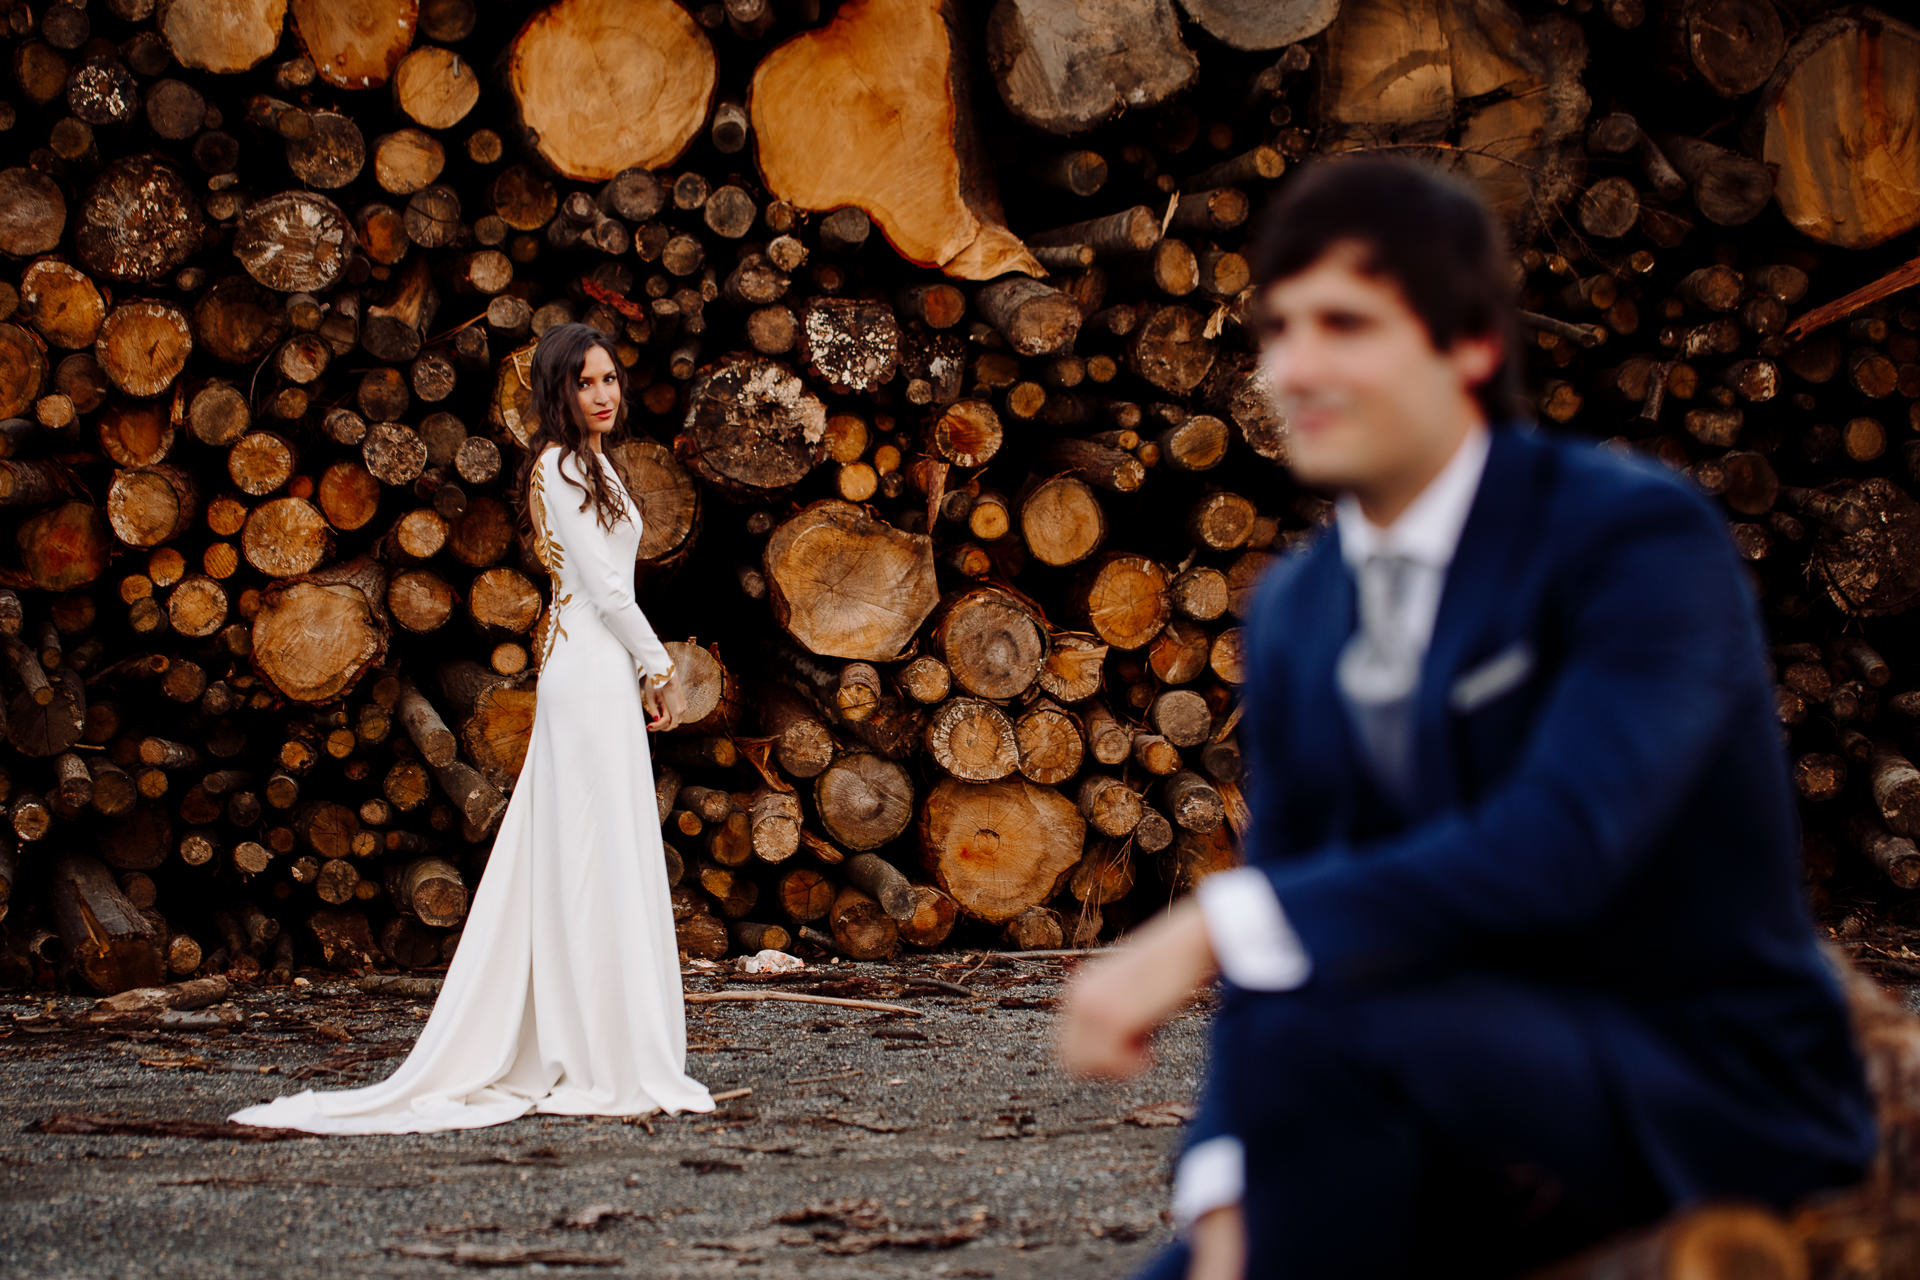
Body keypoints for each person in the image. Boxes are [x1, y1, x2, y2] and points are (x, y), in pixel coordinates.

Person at [1055, 157, 1876, 1279]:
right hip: (1438, 1075)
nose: (1295, 367)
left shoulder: (1633, 541)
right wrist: (1221, 1196)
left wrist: (1207, 924)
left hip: (1692, 1085)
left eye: (1345, 323)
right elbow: (1289, 939)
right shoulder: (1301, 604)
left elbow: (1563, 845)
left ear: (1471, 344)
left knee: (1328, 1032)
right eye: (1279, 328)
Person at [231, 323, 715, 1133]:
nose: (603, 394)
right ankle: (593, 1046)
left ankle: (614, 1034)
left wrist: (639, 666)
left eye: (609, 380)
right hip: (585, 669)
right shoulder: (560, 466)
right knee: (587, 846)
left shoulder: (596, 464)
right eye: (585, 383)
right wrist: (656, 666)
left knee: (602, 841)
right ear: (557, 393)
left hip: (600, 665)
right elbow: (600, 583)